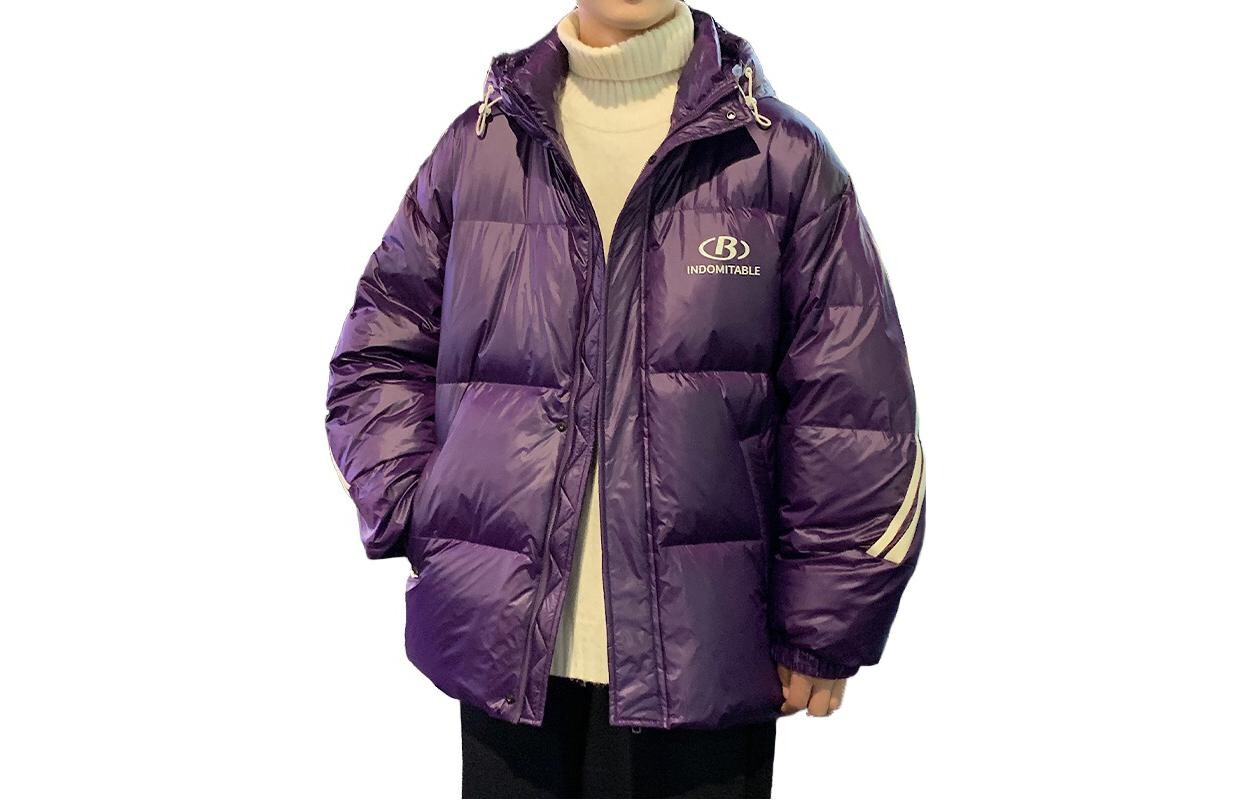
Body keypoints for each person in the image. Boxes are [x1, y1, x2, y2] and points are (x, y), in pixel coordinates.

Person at [324, 1, 926, 796]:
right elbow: (377, 353)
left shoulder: (778, 159)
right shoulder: (482, 149)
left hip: (706, 658)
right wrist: (425, 510)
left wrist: (825, 622)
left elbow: (854, 408)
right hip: (507, 653)